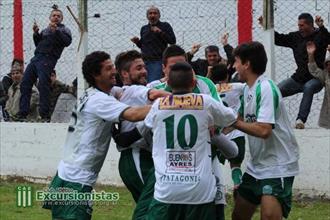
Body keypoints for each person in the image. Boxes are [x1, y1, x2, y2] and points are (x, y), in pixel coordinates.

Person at [43, 51, 151, 220]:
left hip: (67, 174)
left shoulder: (91, 94)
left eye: (113, 67)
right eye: (108, 69)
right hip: (75, 181)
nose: (114, 71)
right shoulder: (99, 101)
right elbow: (134, 114)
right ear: (95, 75)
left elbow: (123, 92)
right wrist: (166, 106)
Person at [134, 45, 228, 220]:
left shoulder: (205, 84)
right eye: (173, 67)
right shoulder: (154, 89)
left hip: (205, 157)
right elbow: (142, 128)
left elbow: (220, 120)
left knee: (218, 204)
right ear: (163, 69)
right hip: (168, 164)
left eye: (184, 65)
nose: (182, 70)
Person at [230, 41, 299, 220]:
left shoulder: (266, 88)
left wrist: (234, 123)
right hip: (257, 166)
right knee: (239, 214)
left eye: (236, 61)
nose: (234, 66)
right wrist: (210, 132)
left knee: (269, 217)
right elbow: (237, 120)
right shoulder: (247, 89)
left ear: (247, 64)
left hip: (278, 166)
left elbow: (263, 130)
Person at [112, 50, 169, 202]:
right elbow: (155, 94)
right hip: (136, 155)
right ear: (124, 74)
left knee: (148, 209)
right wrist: (189, 101)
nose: (144, 71)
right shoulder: (133, 90)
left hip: (140, 156)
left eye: (144, 67)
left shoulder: (128, 91)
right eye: (138, 68)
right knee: (155, 205)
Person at [271, 13, 330, 129]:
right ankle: (269, 119)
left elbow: (328, 38)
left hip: (316, 78)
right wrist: (267, 27)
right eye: (298, 25)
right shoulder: (295, 37)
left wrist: (322, 27)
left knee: (308, 87)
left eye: (302, 25)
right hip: (298, 78)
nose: (300, 28)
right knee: (275, 91)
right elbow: (279, 39)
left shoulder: (320, 35)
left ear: (310, 25)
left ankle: (300, 120)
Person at [18, 5, 72, 121]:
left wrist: (56, 31)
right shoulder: (45, 30)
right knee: (25, 83)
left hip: (48, 59)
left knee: (43, 85)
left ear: (61, 19)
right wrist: (36, 34)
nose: (56, 17)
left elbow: (67, 42)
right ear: (50, 17)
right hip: (36, 58)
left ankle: (44, 115)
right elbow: (38, 44)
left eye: (58, 16)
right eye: (54, 15)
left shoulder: (64, 30)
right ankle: (22, 113)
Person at [209, 64, 246, 192]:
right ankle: (237, 183)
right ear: (227, 75)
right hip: (235, 130)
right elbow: (251, 88)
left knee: (214, 162)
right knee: (235, 164)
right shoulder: (237, 87)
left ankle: (216, 189)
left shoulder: (211, 88)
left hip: (218, 133)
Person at [131, 6, 176, 83]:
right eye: (150, 13)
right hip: (144, 62)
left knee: (154, 84)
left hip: (157, 61)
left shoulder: (165, 26)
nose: (152, 15)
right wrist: (137, 42)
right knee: (144, 83)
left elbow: (172, 41)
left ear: (159, 15)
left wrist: (160, 32)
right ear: (147, 16)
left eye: (155, 13)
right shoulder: (144, 28)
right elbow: (142, 45)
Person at [307, 42, 330, 129]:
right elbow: (314, 70)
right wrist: (311, 54)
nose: (329, 66)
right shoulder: (325, 75)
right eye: (327, 64)